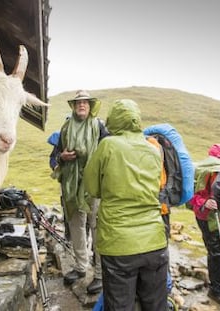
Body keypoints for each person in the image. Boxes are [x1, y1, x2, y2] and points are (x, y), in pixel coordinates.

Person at [84, 99, 169, 311]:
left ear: (114, 120)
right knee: (156, 305)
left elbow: (92, 188)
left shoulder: (108, 145)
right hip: (155, 241)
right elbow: (158, 185)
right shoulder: (153, 149)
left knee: (120, 306)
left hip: (119, 242)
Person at [55, 90, 108, 294]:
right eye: (78, 102)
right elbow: (55, 156)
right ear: (73, 106)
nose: (82, 105)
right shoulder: (66, 128)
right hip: (71, 185)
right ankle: (80, 267)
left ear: (90, 105)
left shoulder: (99, 127)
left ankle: (100, 275)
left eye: (85, 102)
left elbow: (107, 152)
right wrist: (62, 157)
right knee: (76, 226)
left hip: (94, 185)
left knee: (97, 228)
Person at [189, 143, 220, 307]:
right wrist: (205, 202)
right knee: (216, 252)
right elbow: (191, 197)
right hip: (207, 218)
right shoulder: (204, 173)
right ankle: (216, 289)